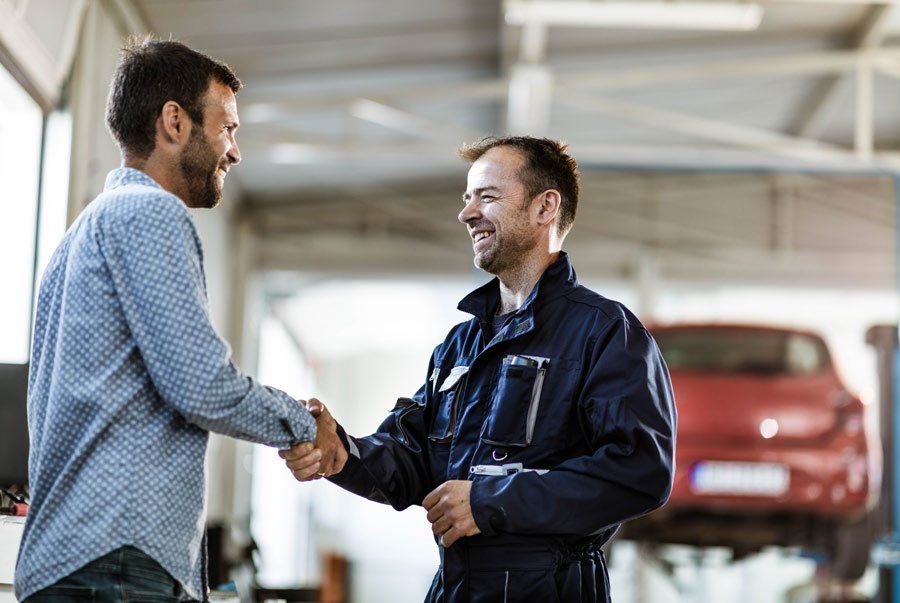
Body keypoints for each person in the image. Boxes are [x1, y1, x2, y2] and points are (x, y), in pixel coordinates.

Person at [281, 136, 677, 602]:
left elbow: (640, 471)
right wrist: (341, 453)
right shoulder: (460, 346)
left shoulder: (604, 333)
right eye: (467, 199)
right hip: (456, 587)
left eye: (486, 196)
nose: (466, 214)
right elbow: (411, 459)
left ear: (545, 207)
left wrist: (491, 503)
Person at [15, 38, 338, 602]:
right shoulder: (150, 214)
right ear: (175, 121)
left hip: (78, 558)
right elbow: (202, 385)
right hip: (116, 558)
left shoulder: (81, 235)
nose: (233, 151)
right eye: (228, 128)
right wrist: (305, 424)